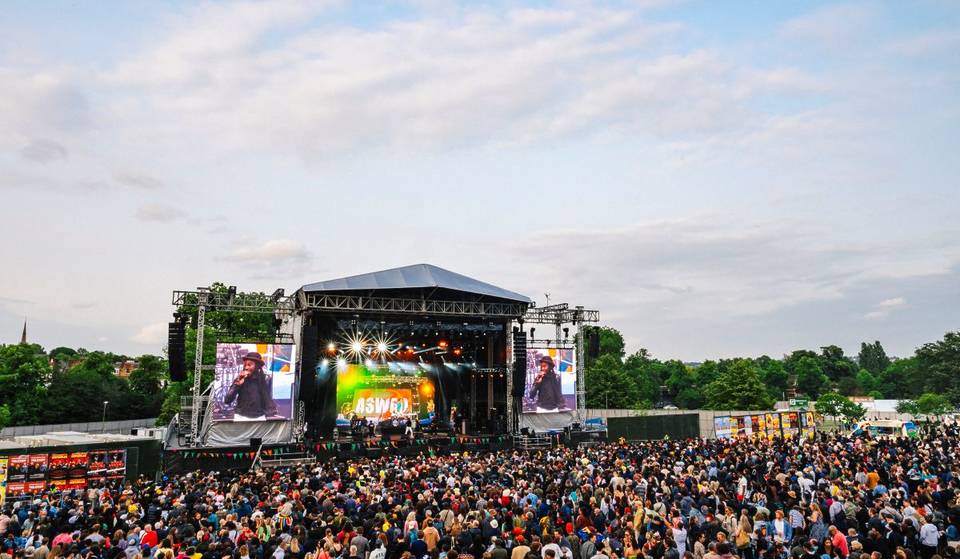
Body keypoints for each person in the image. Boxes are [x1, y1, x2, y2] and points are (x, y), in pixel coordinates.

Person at [224, 352, 278, 420]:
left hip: (259, 418)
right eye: (245, 365)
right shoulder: (240, 379)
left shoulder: (264, 380)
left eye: (249, 365)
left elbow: (268, 400)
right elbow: (227, 400)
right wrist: (237, 385)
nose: (246, 367)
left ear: (257, 366)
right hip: (241, 417)